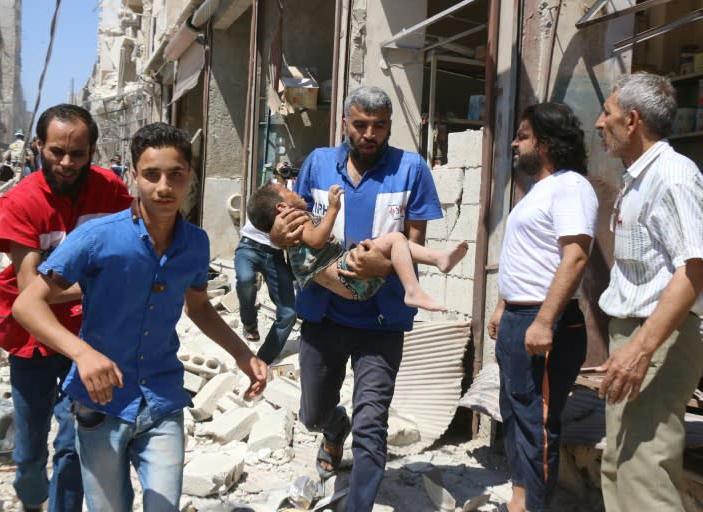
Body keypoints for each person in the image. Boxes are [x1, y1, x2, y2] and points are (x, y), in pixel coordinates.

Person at [11, 122, 269, 512]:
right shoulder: (98, 236)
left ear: (190, 178)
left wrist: (243, 355)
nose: (164, 187)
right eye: (151, 175)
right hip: (102, 405)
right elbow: (27, 304)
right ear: (133, 177)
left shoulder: (196, 243)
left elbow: (198, 306)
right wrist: (82, 354)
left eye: (175, 175)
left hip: (163, 400)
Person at [270, 85, 442, 511]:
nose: (369, 133)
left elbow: (415, 240)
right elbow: (295, 226)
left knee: (372, 422)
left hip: (382, 321)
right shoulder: (318, 164)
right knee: (312, 413)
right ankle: (333, 429)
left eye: (378, 126)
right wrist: (278, 237)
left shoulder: (412, 169)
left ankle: (358, 504)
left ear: (389, 127)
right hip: (322, 313)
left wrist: (381, 267)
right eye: (360, 124)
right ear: (345, 122)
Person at [0, 104, 133, 512]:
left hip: (91, 337)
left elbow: (129, 253)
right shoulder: (21, 201)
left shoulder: (112, 192)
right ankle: (32, 500)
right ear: (38, 146)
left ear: (93, 151)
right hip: (33, 338)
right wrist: (96, 283)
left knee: (74, 445)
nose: (67, 163)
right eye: (56, 152)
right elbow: (32, 290)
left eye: (78, 154)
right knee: (30, 453)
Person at [594, 73, 703, 511]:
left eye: (607, 113)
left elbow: (694, 268)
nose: (600, 123)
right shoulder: (638, 177)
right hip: (638, 335)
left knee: (644, 475)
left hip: (658, 339)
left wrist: (641, 348)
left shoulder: (674, 176)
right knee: (619, 466)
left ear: (632, 120)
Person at [486, 102, 597, 512]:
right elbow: (526, 256)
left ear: (546, 143)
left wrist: (544, 321)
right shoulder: (538, 192)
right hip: (520, 319)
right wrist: (501, 307)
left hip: (544, 321)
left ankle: (533, 506)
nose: (514, 143)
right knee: (515, 416)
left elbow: (576, 257)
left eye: (523, 135)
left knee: (539, 427)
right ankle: (520, 501)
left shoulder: (571, 186)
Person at [249, 182, 467, 310]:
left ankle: (438, 260)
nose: (294, 190)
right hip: (343, 271)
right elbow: (317, 240)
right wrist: (333, 208)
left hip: (350, 279)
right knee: (396, 239)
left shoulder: (289, 227)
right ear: (281, 206)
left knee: (397, 242)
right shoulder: (295, 220)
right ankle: (414, 288)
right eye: (287, 190)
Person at [234, 215, 297, 365]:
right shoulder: (272, 193)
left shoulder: (301, 203)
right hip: (249, 246)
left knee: (289, 314)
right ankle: (249, 323)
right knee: (245, 279)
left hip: (276, 256)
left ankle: (262, 360)